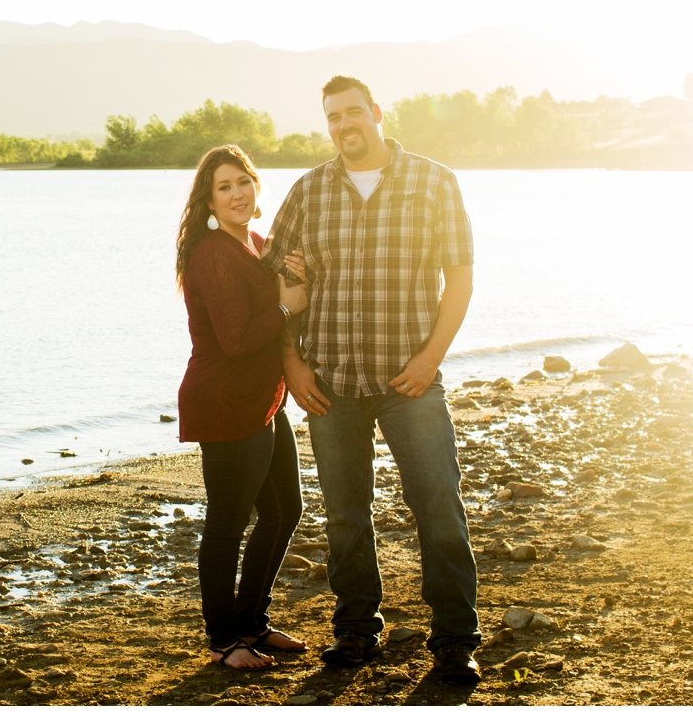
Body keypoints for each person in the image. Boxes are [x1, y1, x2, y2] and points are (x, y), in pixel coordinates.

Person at [259, 76, 483, 684]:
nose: (344, 125)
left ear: (377, 114)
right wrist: (292, 362)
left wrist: (431, 358)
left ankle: (456, 639)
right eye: (333, 117)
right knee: (345, 515)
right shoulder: (308, 192)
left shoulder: (434, 182)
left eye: (353, 112)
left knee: (438, 504)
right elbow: (278, 283)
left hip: (410, 379)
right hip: (330, 382)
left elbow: (459, 281)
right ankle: (357, 629)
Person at [176, 145, 314, 670]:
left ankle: (253, 623)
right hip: (225, 401)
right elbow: (235, 340)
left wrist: (292, 281)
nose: (236, 194)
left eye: (243, 183)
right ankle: (223, 641)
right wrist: (284, 303)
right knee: (228, 523)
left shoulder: (256, 243)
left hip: (262, 399)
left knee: (284, 511)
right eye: (224, 187)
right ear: (210, 200)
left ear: (257, 188)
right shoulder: (212, 253)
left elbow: (281, 299)